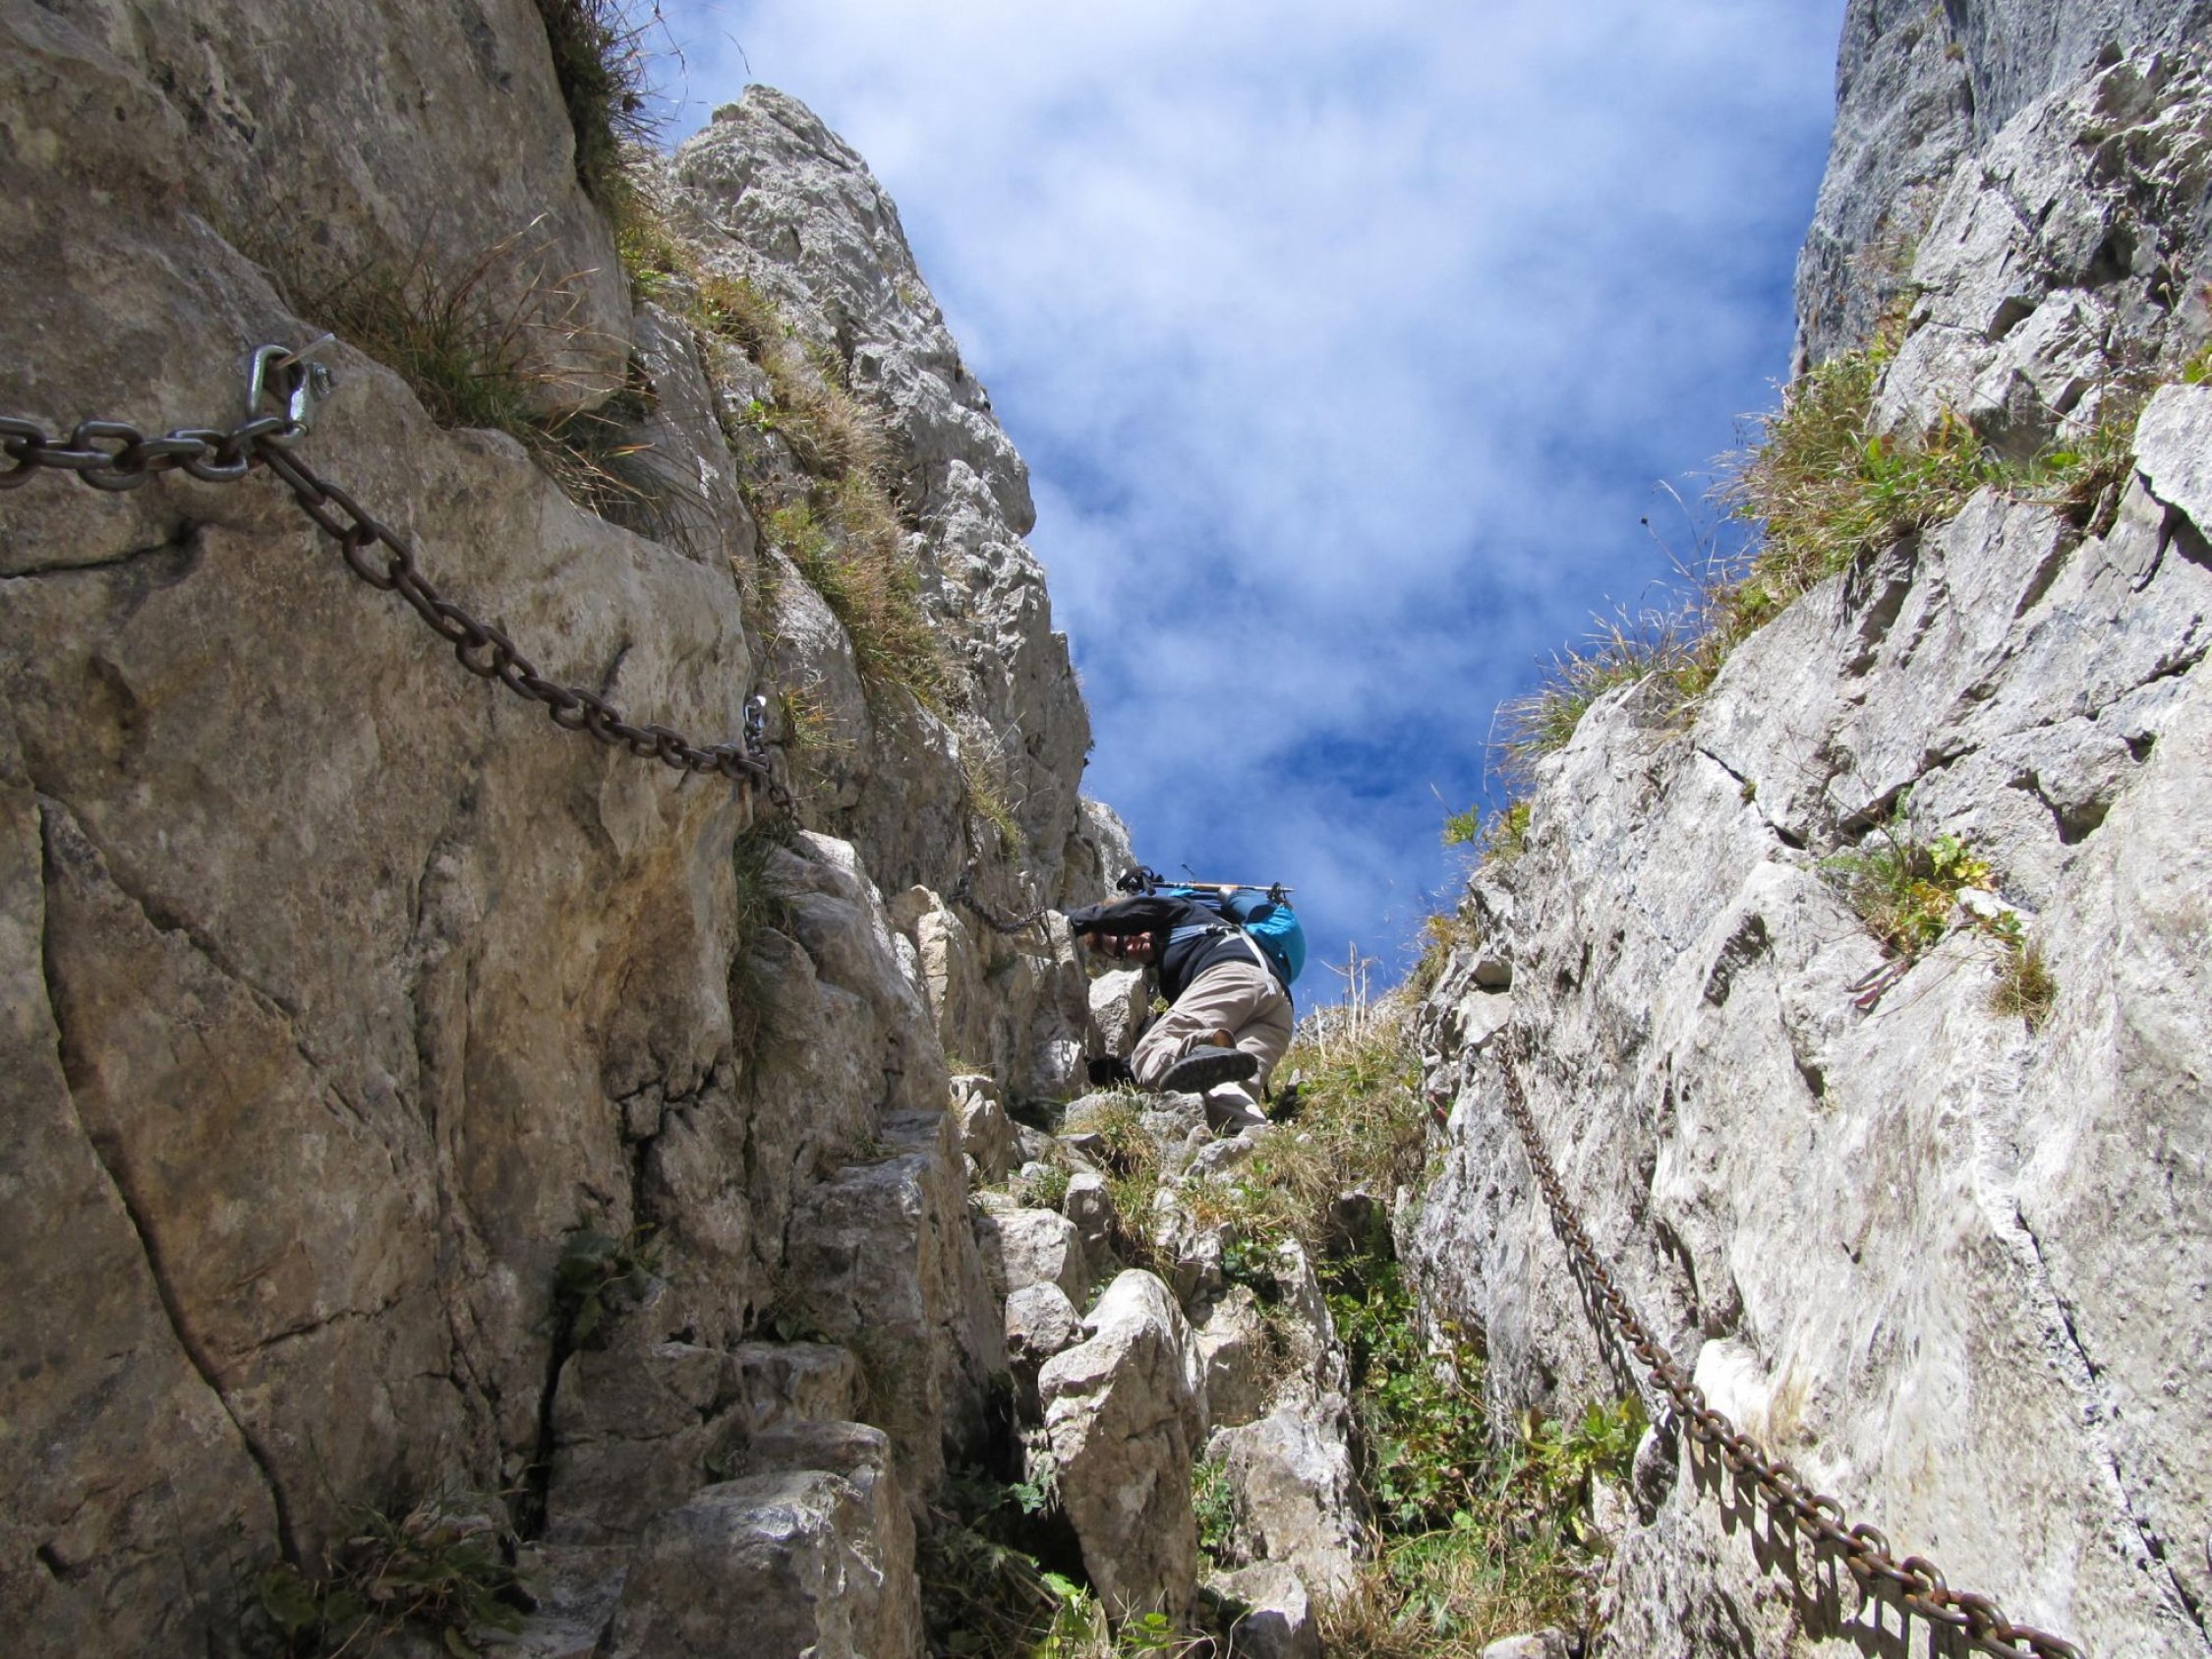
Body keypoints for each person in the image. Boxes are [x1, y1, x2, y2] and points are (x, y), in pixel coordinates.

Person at [1065, 891, 1294, 1108]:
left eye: (1124, 935)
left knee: (1149, 1054)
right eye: (1122, 952)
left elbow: (1134, 910)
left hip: (1231, 974)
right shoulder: (1174, 975)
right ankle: (1247, 1129)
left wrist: (1076, 921)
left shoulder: (1180, 913)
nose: (1130, 946)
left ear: (1127, 921)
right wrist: (1112, 1071)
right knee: (1225, 1099)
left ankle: (1210, 1045)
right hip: (1279, 1009)